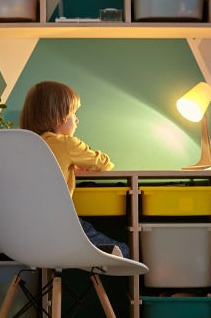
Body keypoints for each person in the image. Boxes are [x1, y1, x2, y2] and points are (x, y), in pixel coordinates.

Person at [19, 80, 130, 258]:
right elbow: (103, 164)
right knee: (124, 250)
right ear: (58, 117)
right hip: (59, 223)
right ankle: (100, 253)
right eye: (73, 113)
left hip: (23, 226)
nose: (77, 120)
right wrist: (81, 162)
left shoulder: (23, 144)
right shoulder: (66, 143)